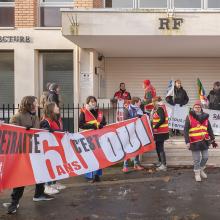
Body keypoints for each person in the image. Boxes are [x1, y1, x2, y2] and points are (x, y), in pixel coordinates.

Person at [6, 96, 54, 215]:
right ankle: (14, 202)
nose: (37, 105)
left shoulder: (36, 116)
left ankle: (39, 193)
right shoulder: (17, 117)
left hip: (35, 150)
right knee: (21, 178)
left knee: (40, 172)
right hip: (22, 152)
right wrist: (23, 130)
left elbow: (37, 131)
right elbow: (13, 133)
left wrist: (46, 130)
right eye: (35, 103)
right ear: (29, 104)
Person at [184, 100, 218, 182]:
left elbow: (209, 128)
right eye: (196, 107)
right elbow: (185, 130)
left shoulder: (206, 117)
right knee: (196, 159)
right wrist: (187, 141)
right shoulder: (189, 117)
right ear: (193, 108)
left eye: (199, 107)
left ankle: (201, 169)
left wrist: (213, 139)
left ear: (201, 108)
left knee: (205, 157)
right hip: (194, 141)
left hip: (204, 141)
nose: (197, 108)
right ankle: (197, 173)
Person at [40, 102, 66, 194]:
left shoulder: (56, 119)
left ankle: (53, 183)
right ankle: (46, 186)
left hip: (55, 147)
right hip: (48, 149)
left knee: (55, 165)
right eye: (56, 107)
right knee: (48, 167)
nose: (58, 108)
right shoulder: (45, 121)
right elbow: (44, 134)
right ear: (51, 109)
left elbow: (58, 131)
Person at [79, 96, 106, 182]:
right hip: (88, 137)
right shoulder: (84, 111)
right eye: (91, 102)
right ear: (87, 103)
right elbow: (81, 125)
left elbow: (104, 122)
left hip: (98, 136)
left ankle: (97, 175)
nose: (93, 103)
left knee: (99, 155)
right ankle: (89, 176)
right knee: (90, 156)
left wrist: (101, 125)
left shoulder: (99, 112)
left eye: (94, 101)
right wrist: (92, 126)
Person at [122, 97, 145, 173]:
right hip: (128, 132)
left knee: (137, 147)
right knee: (128, 147)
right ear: (135, 102)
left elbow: (142, 118)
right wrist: (136, 118)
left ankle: (136, 164)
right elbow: (125, 119)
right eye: (139, 102)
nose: (140, 103)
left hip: (137, 131)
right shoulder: (127, 109)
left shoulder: (139, 109)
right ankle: (125, 166)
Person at [151, 96, 169, 171]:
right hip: (160, 132)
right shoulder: (160, 108)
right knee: (158, 147)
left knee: (160, 148)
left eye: (153, 102)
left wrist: (155, 127)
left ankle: (164, 165)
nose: (153, 104)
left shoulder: (160, 108)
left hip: (161, 132)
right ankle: (160, 162)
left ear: (156, 102)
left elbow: (162, 119)